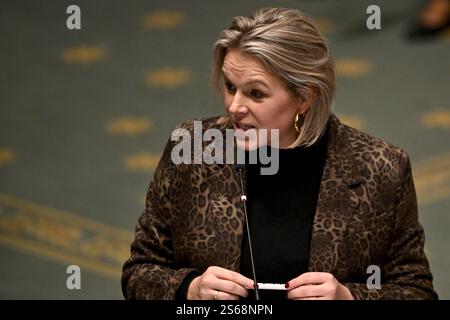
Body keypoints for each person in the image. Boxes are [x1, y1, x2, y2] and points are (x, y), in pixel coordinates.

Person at [121, 7, 437, 300]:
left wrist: (350, 297)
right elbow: (139, 272)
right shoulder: (192, 149)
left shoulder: (380, 168)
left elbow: (415, 290)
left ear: (305, 96)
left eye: (256, 93)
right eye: (231, 86)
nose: (234, 107)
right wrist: (189, 290)